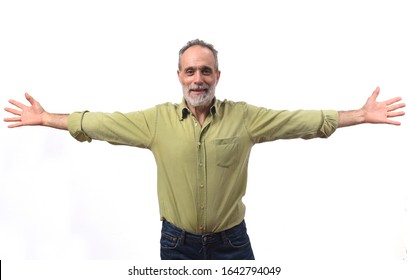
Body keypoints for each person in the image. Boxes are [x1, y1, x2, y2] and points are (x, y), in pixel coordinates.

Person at [3, 39, 405, 260]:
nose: (198, 78)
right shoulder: (155, 121)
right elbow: (101, 123)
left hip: (233, 242)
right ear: (179, 76)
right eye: (191, 71)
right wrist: (47, 118)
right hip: (176, 244)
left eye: (206, 70)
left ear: (217, 76)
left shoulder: (245, 118)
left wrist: (360, 114)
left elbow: (298, 120)